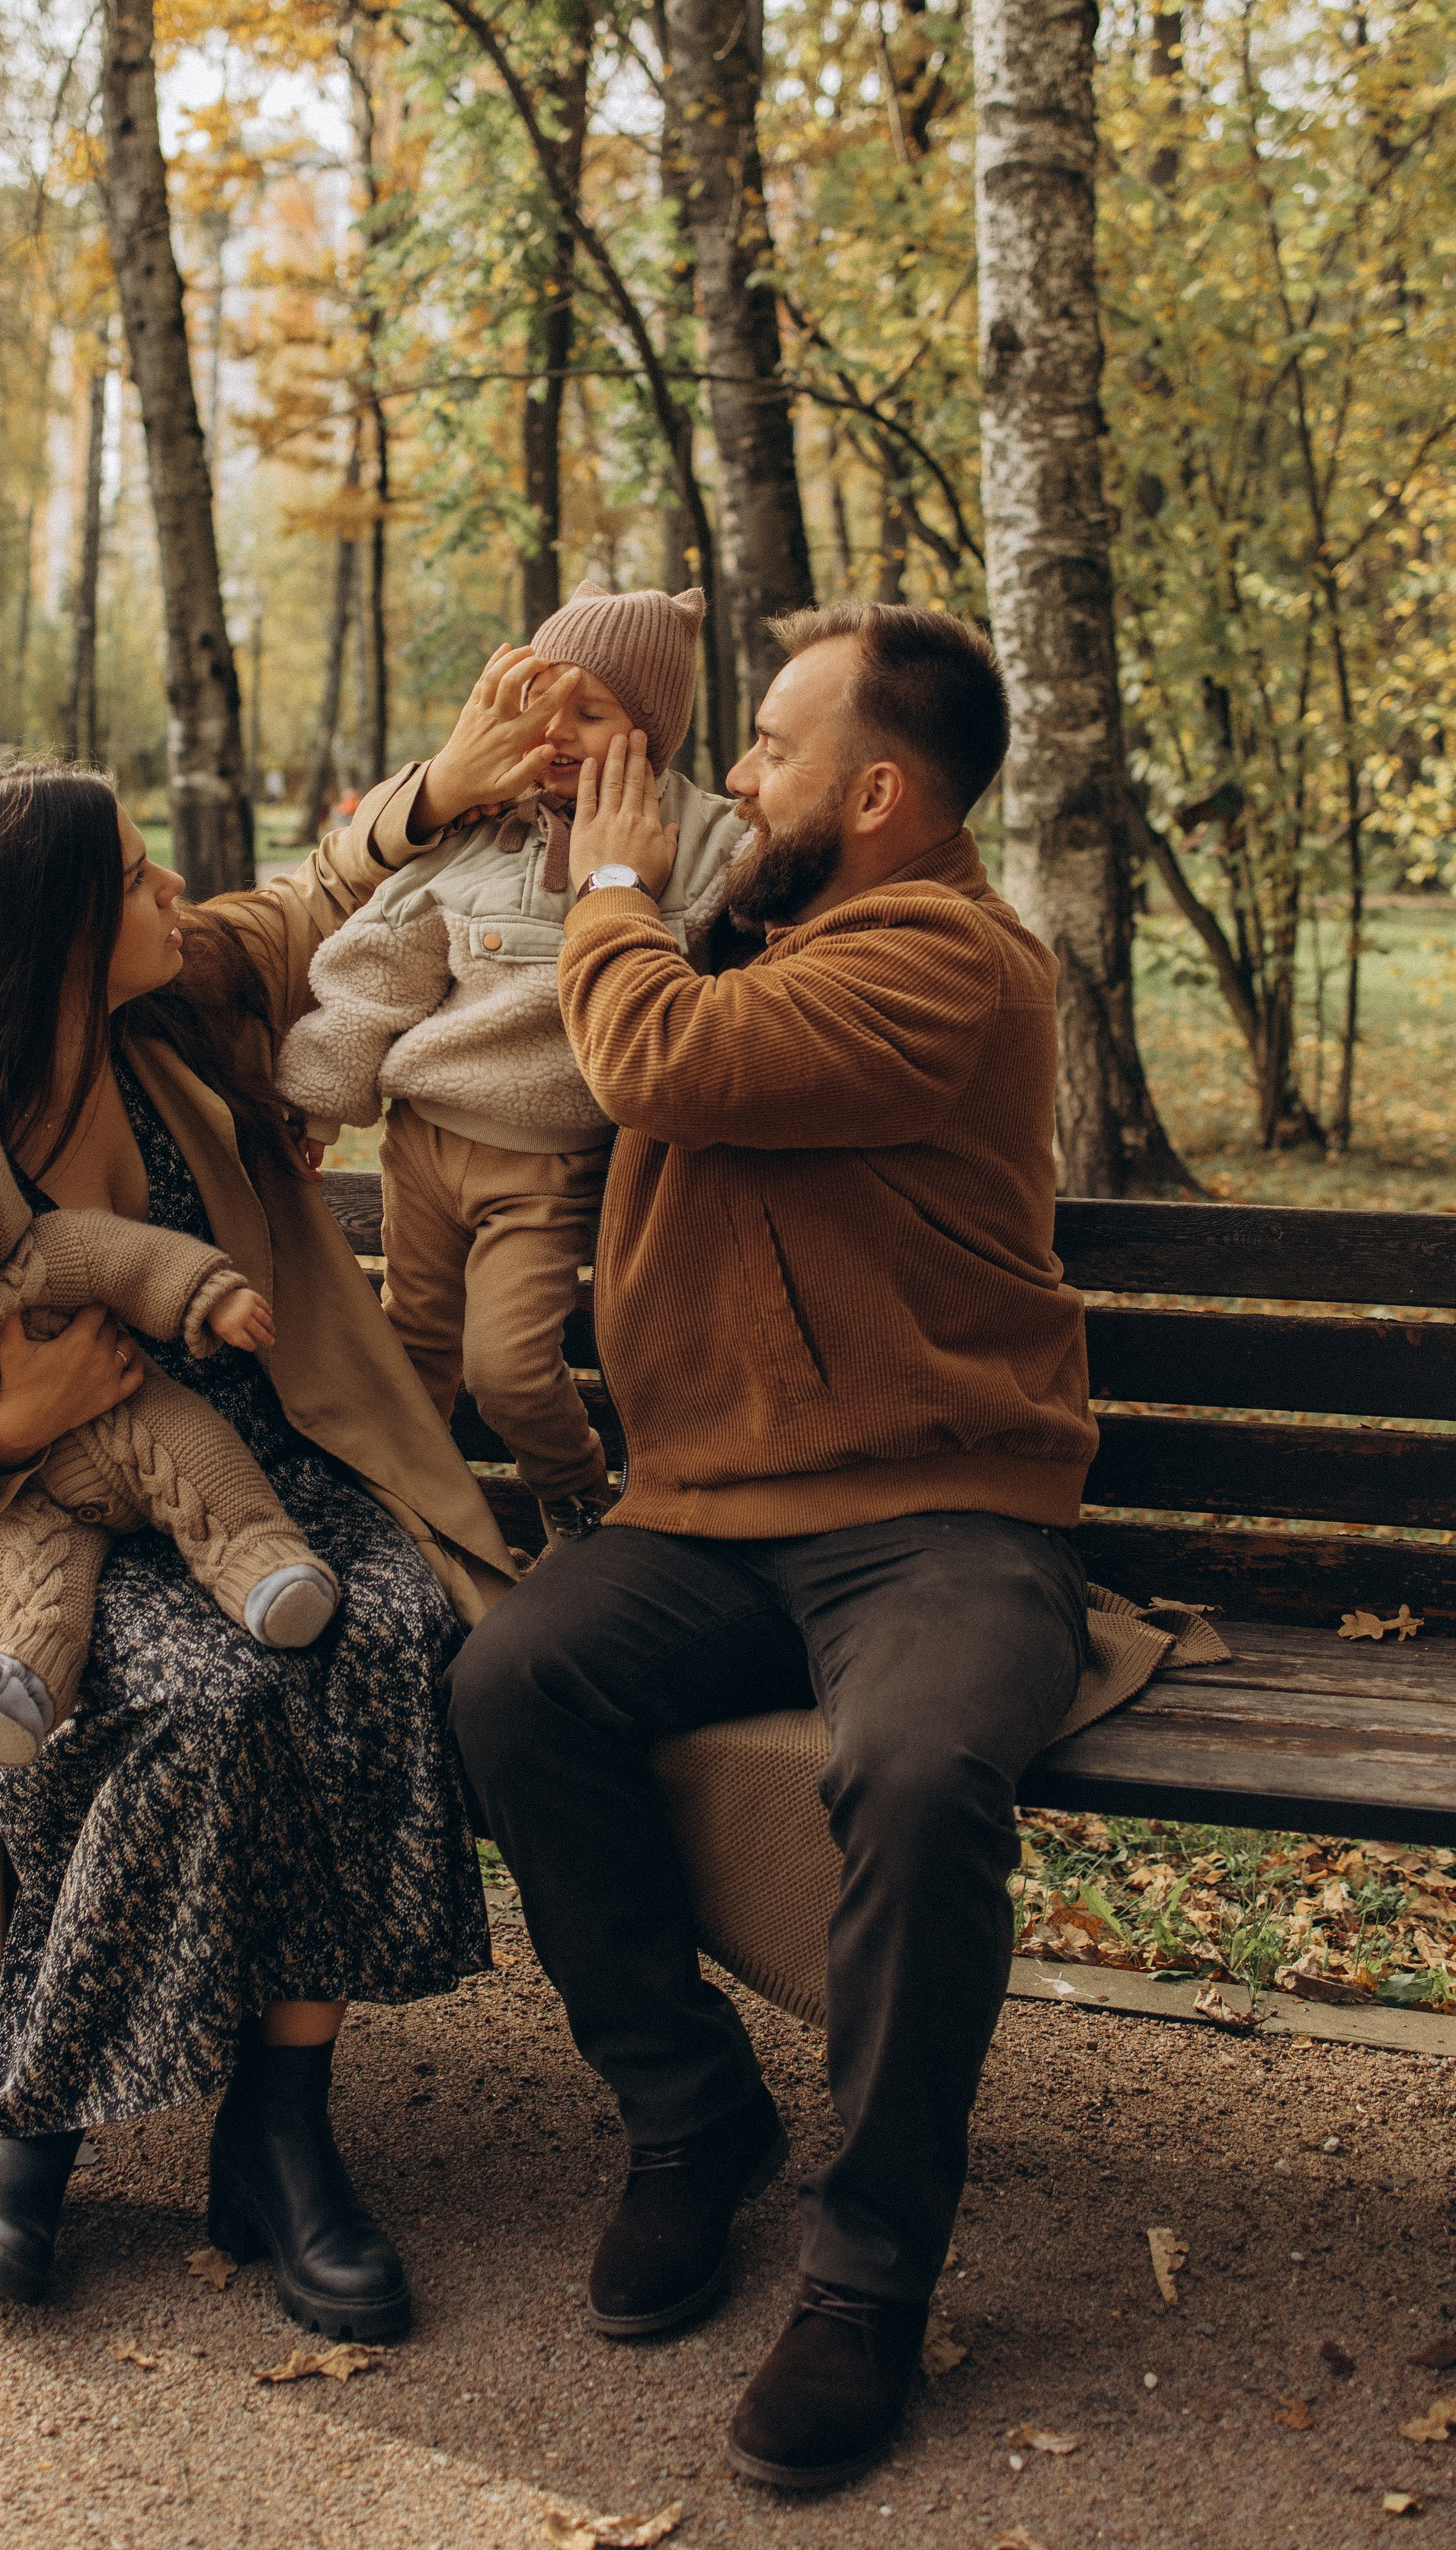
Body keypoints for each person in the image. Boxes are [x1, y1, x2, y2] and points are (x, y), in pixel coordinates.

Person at [0, 646, 576, 2337]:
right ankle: (39, 2108)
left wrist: (443, 789)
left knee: (373, 1639)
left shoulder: (169, 1009)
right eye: (138, 875)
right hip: (48, 1530)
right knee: (202, 1707)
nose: (172, 889)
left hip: (281, 1472)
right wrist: (10, 1432)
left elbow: (303, 904)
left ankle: (272, 2135)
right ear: (60, 936)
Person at [448, 602, 1099, 2492]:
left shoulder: (951, 963)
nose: (733, 772)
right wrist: (542, 797)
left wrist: (628, 880)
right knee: (509, 1677)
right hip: (711, 1514)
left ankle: (865, 2272)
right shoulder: (785, 917)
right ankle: (685, 2114)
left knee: (910, 1771)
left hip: (944, 1516)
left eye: (770, 746)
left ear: (877, 794)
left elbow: (659, 1056)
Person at [276, 584, 744, 1547]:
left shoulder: (701, 843)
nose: (558, 731)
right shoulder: (481, 827)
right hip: (424, 1149)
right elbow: (376, 975)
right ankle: (412, 1530)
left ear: (651, 732)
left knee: (510, 1372)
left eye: (592, 711)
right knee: (410, 1357)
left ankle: (575, 1498)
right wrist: (314, 1106)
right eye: (544, 702)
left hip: (548, 1165)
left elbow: (757, 946)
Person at [0, 1038, 343, 1768]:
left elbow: (132, 1257)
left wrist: (212, 1295)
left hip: (125, 1423)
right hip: (27, 1492)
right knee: (29, 1576)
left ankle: (266, 1568)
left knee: (201, 1467)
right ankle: (19, 1686)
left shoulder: (39, 1258)